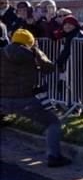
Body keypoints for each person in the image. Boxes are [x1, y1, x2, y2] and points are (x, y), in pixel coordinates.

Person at [0, 29, 70, 167]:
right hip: (26, 100)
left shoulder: (1, 53)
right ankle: (53, 157)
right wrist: (37, 50)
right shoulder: (32, 55)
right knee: (53, 123)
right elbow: (49, 68)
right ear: (30, 42)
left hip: (2, 98)